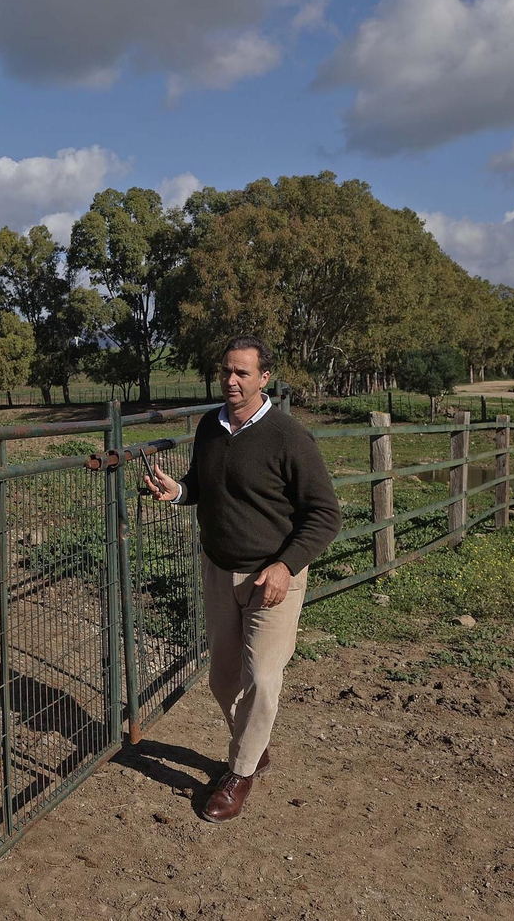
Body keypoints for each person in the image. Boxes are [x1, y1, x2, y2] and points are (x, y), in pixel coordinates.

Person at [142, 334, 341, 822]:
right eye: (226, 371)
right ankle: (255, 744)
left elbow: (325, 514)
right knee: (222, 678)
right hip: (218, 569)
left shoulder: (289, 436)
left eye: (242, 373)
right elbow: (205, 485)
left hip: (272, 577)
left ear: (264, 377)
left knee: (262, 678)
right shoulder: (210, 426)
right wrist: (179, 491)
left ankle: (240, 773)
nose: (231, 380)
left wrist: (285, 565)